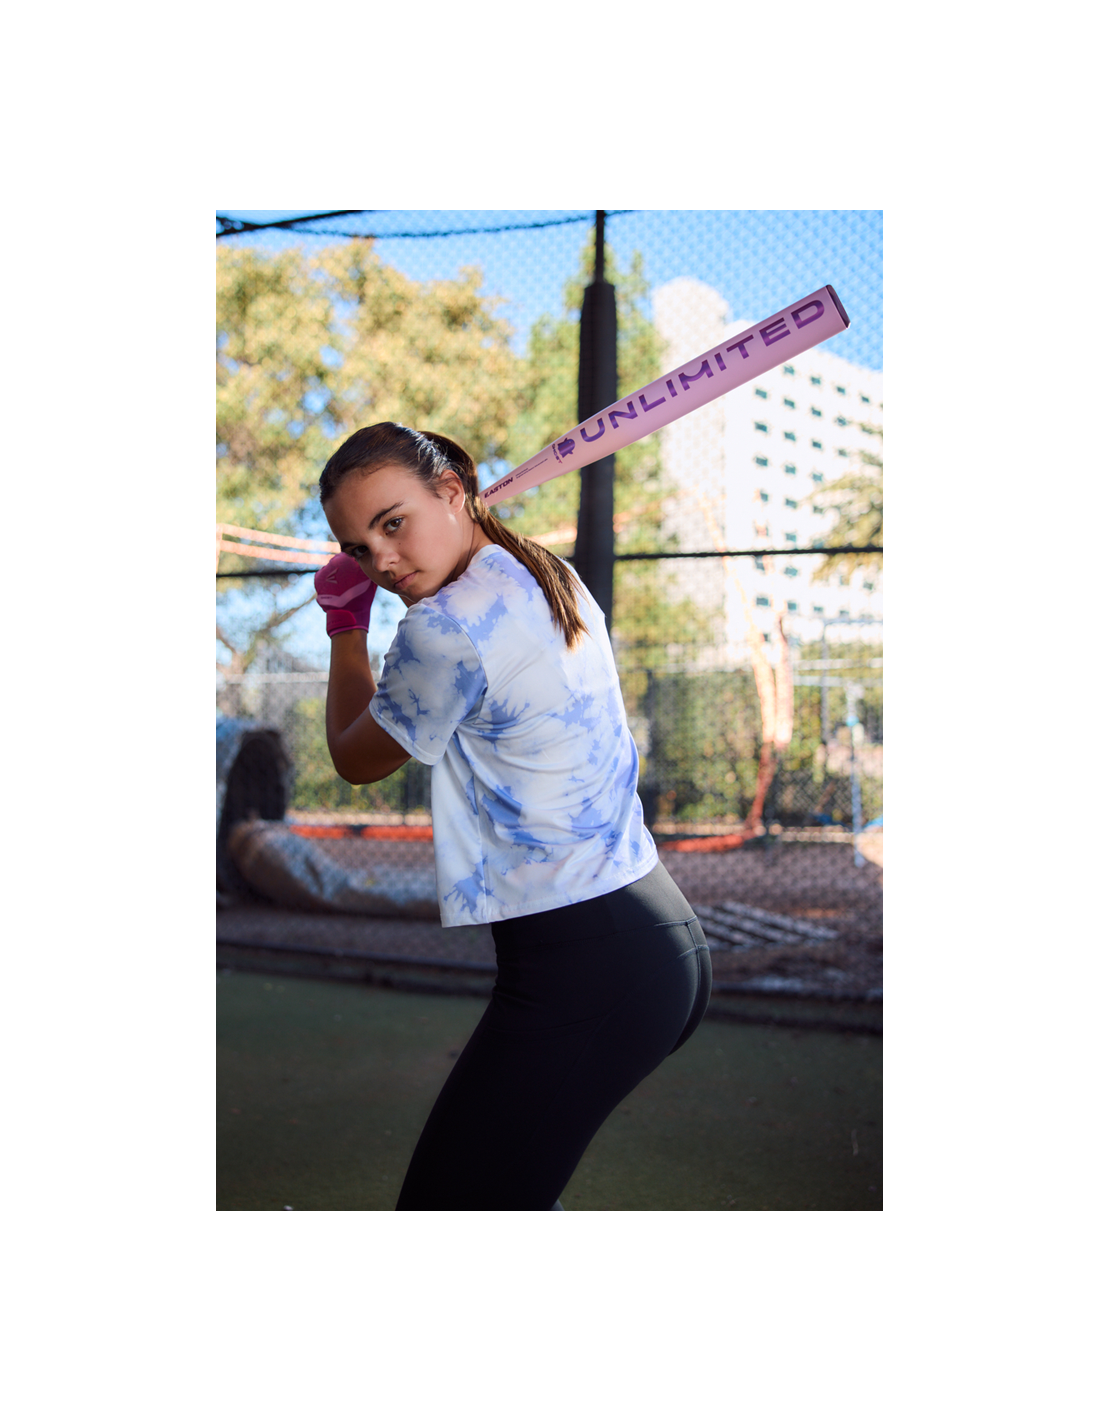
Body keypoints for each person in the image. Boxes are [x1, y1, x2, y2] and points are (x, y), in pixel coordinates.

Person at [314, 422, 711, 1210]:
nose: (380, 561)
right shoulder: (540, 569)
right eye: (358, 548)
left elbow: (355, 757)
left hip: (588, 965)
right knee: (511, 1194)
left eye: (393, 523)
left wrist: (345, 626)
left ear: (452, 491)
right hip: (651, 934)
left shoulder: (445, 626)